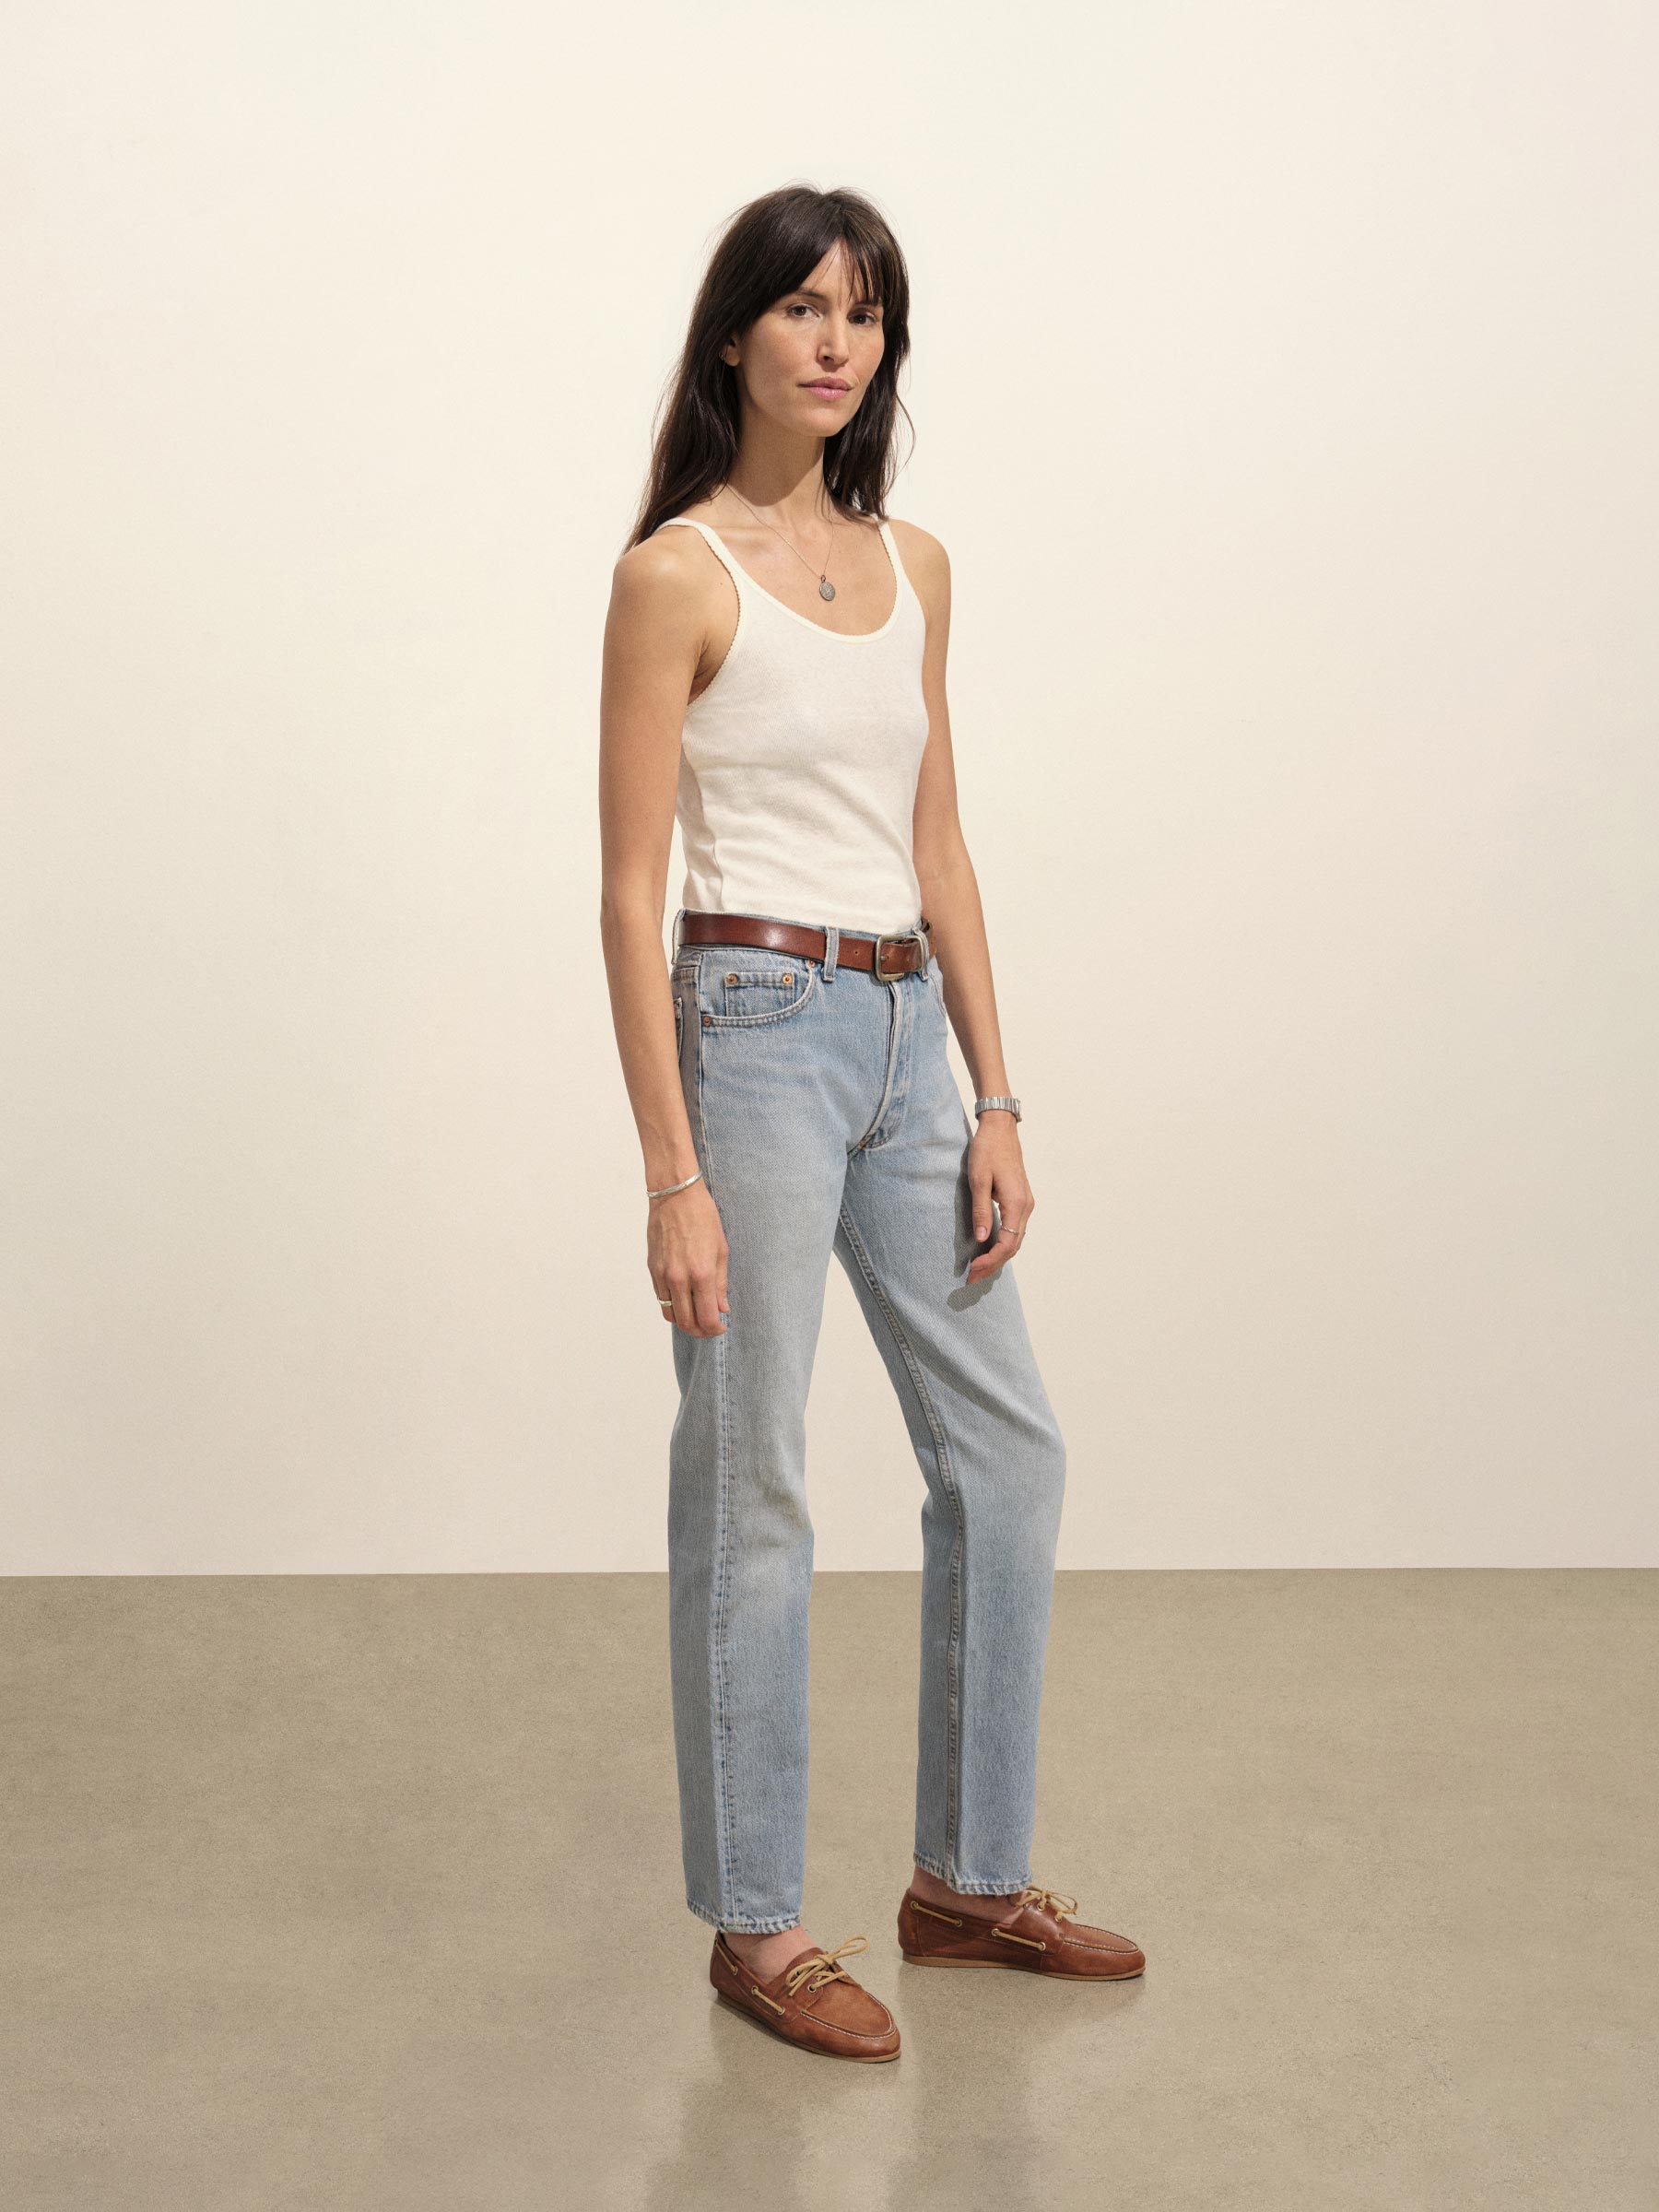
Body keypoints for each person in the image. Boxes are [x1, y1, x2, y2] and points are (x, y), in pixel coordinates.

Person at [598, 183, 1144, 2062]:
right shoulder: (676, 574)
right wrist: (669, 1172)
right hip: (750, 1027)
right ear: (734, 336)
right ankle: (757, 1925)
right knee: (752, 1478)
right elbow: (629, 890)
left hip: (911, 1033)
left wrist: (997, 1094)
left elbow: (941, 842)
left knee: (1008, 1452)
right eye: (803, 307)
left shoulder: (914, 564)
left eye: (866, 312)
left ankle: (967, 1884)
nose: (837, 341)